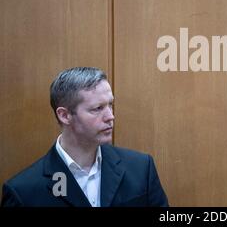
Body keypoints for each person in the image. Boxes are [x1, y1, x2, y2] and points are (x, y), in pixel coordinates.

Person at [1, 67, 169, 207]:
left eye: (110, 105)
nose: (110, 116)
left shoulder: (141, 169)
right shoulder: (23, 193)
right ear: (64, 115)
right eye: (97, 108)